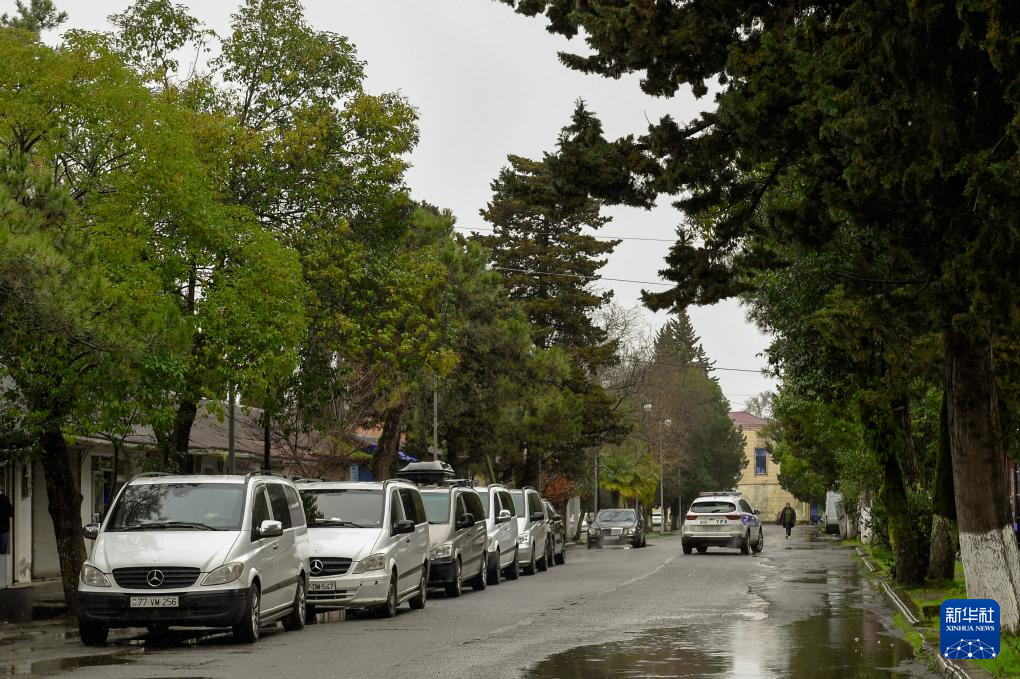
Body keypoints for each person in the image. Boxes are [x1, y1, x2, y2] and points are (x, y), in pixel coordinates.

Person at [0, 489, 13, 556]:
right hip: (4, 529)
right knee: (2, 553)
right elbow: (11, 513)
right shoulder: (5, 499)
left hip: (4, 529)